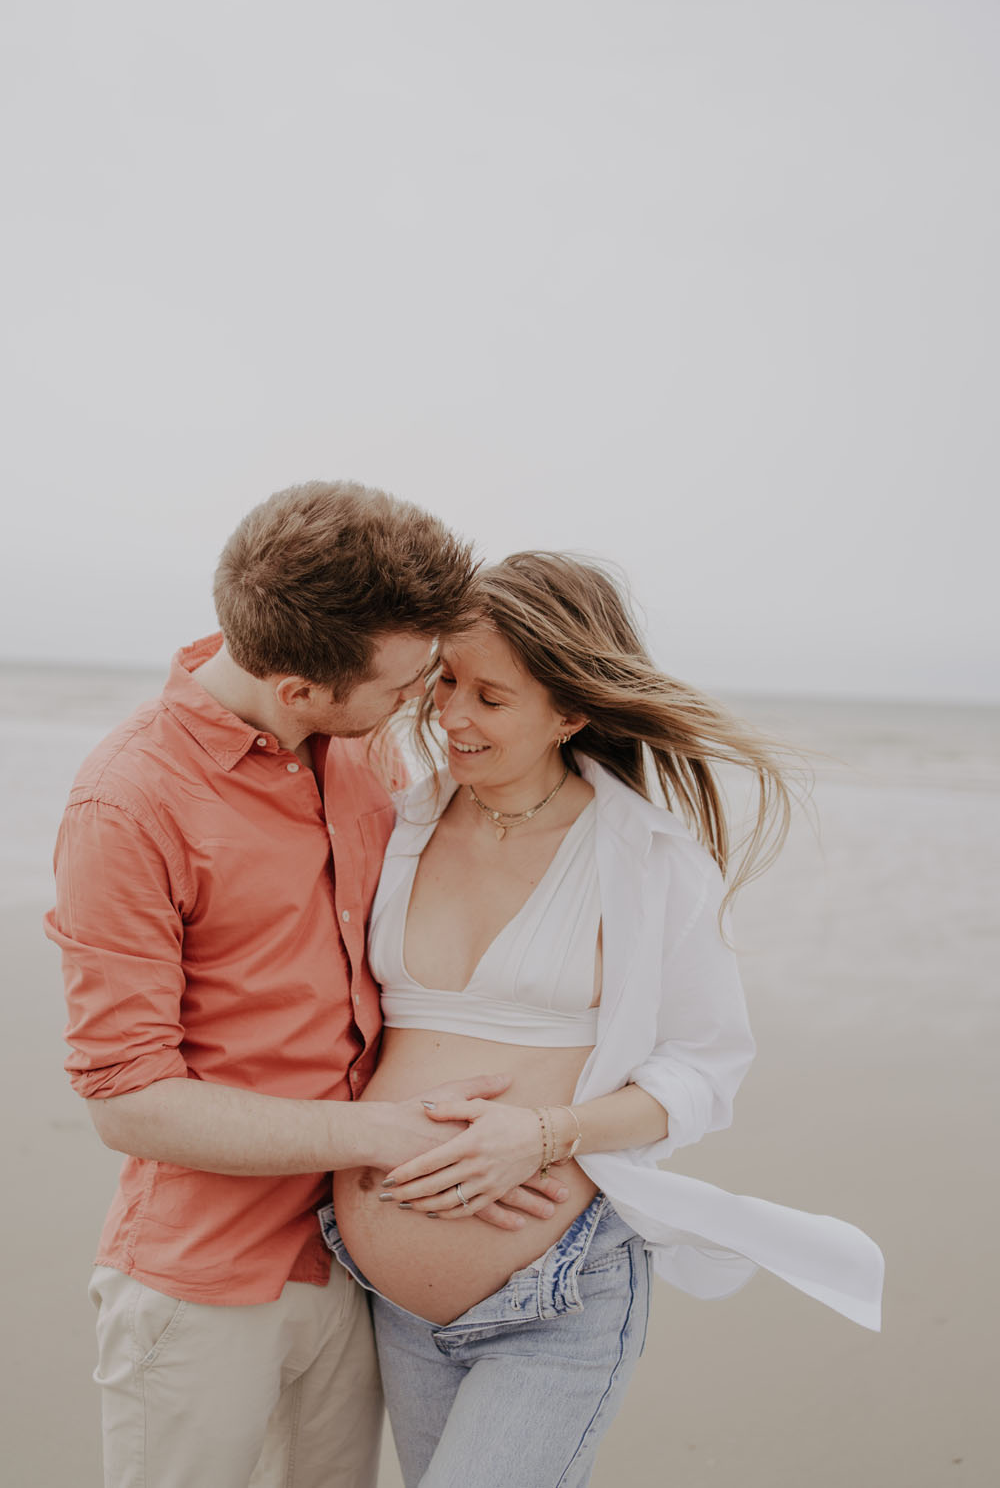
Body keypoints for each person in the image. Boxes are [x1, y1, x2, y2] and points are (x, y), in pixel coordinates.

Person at [44, 484, 569, 1488]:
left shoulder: (364, 748)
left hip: (349, 1270)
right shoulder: (128, 801)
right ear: (296, 688)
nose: (425, 699)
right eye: (404, 680)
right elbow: (126, 1099)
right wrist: (388, 1133)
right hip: (201, 1285)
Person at [324, 552, 885, 1488]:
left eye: (491, 698)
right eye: (447, 682)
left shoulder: (647, 858)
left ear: (570, 711)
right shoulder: (399, 823)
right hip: (390, 1301)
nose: (454, 716)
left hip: (556, 1298)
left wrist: (544, 1134)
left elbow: (705, 1071)